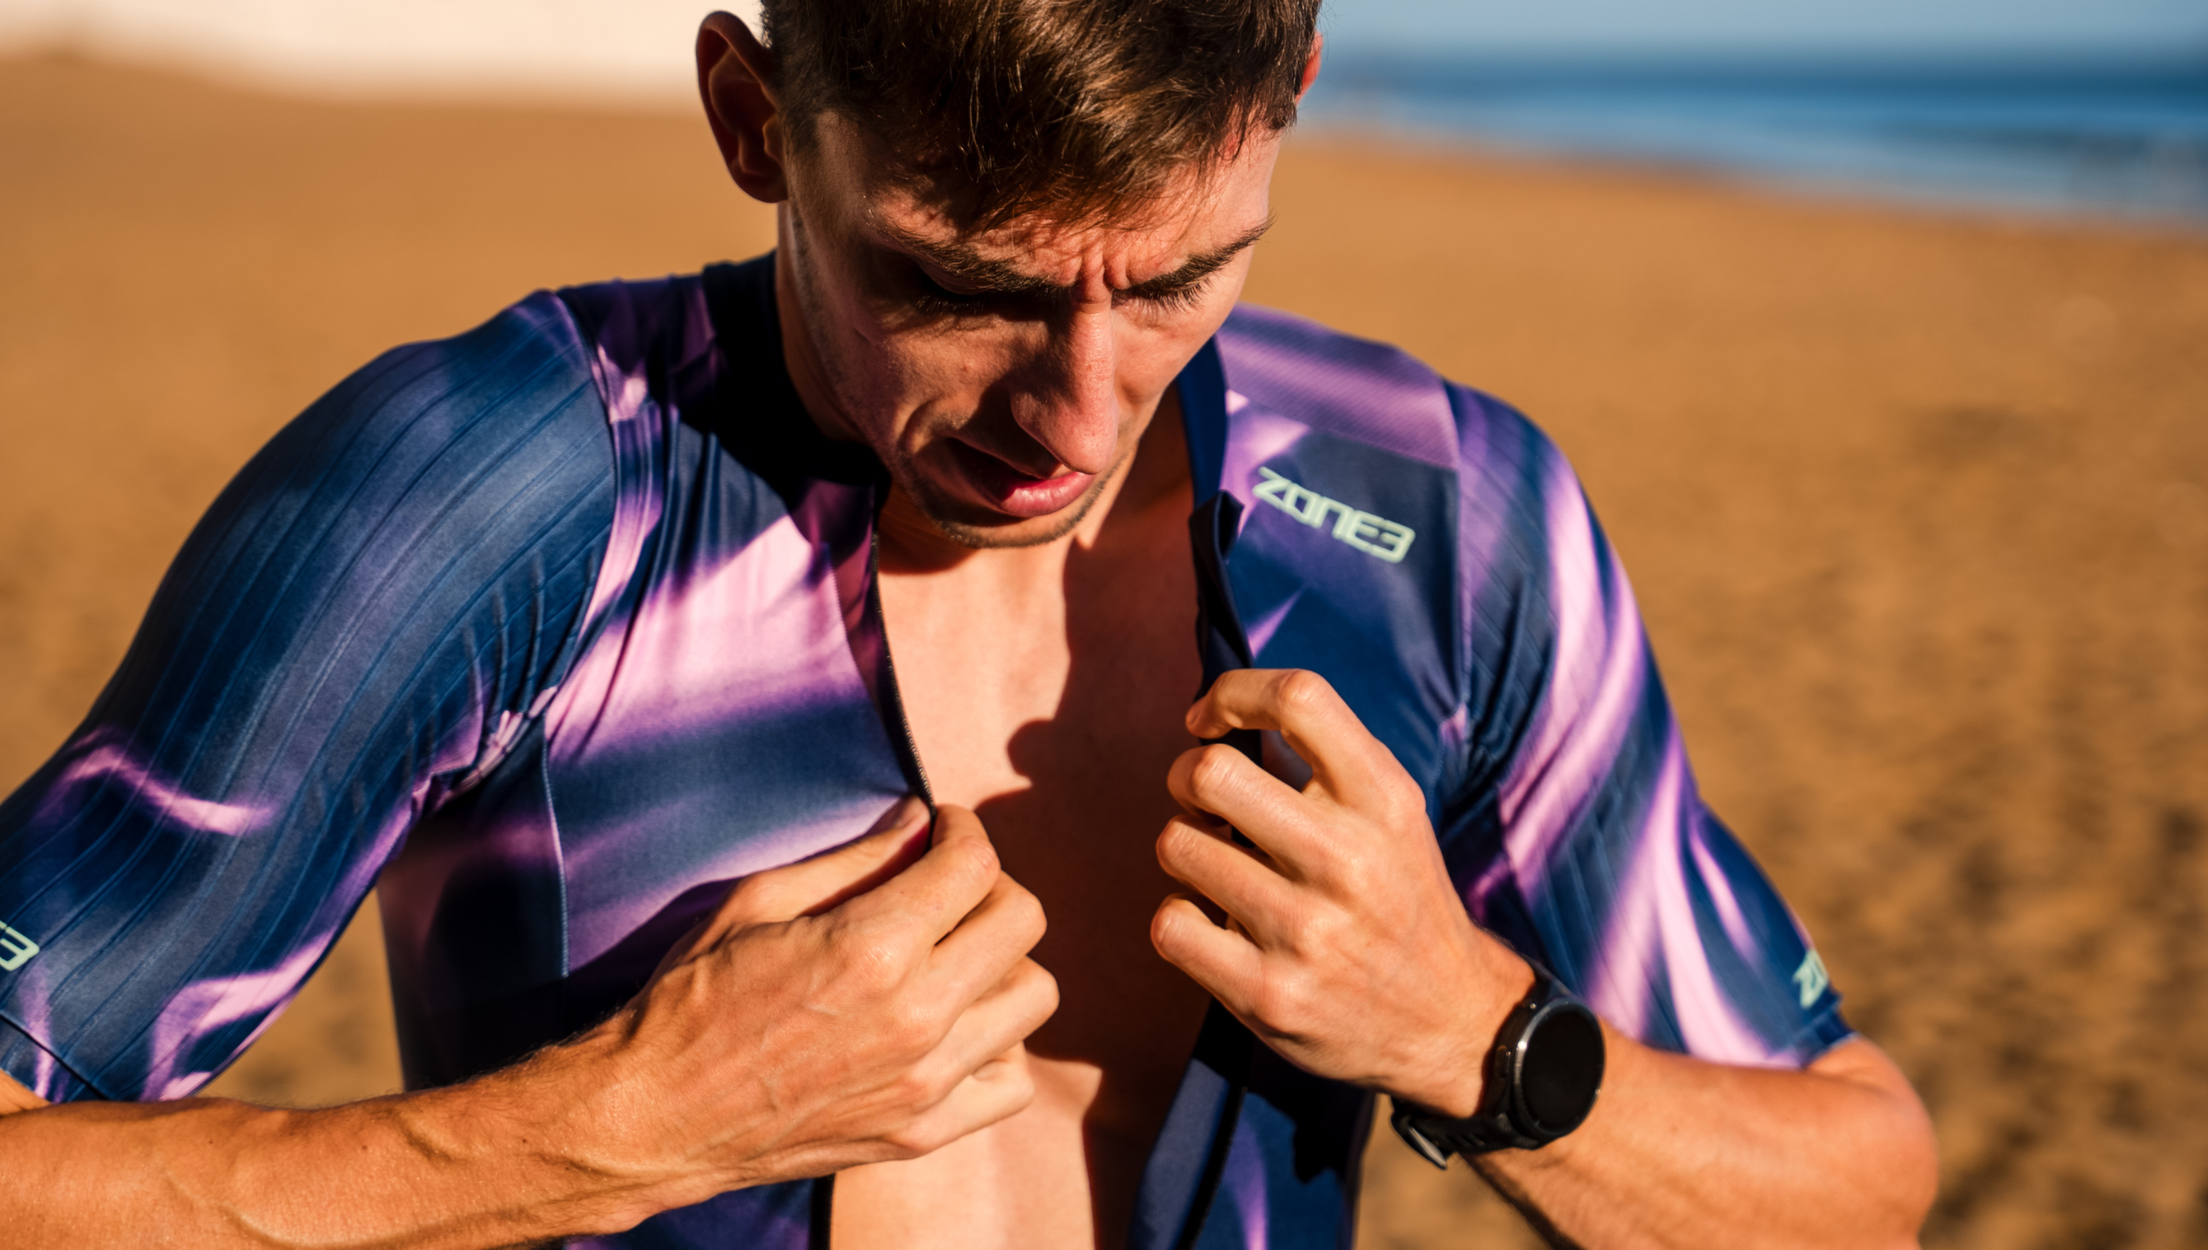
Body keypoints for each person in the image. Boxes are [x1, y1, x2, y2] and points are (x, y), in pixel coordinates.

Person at [0, 2, 1938, 1246]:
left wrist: (1473, 1032)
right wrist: (614, 1127)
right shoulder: (506, 484)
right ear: (757, 119)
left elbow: (1856, 1183)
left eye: (1185, 276)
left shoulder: (1445, 514)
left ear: (1302, 86)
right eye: (963, 288)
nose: (1074, 415)